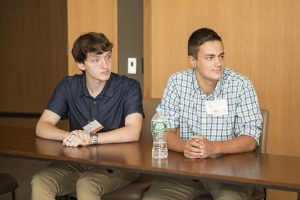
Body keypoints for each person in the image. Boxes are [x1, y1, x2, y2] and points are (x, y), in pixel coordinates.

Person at [143, 28, 264, 200]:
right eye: (210, 57)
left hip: (230, 174)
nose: (218, 63)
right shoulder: (177, 82)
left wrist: (213, 147)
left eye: (221, 56)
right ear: (193, 61)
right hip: (185, 172)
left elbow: (251, 139)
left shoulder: (241, 85)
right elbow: (164, 131)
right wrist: (185, 146)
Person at [31, 32, 144, 200]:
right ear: (80, 64)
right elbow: (43, 125)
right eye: (96, 60)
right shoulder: (68, 86)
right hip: (78, 161)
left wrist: (91, 138)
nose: (105, 65)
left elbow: (133, 132)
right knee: (41, 180)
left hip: (119, 164)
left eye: (108, 57)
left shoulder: (129, 87)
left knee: (87, 184)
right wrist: (71, 136)